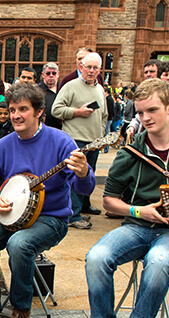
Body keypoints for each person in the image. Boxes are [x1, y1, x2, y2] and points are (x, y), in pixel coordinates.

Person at [0, 82, 95, 318]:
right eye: (12, 110)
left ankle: (21, 309)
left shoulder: (61, 141)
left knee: (19, 244)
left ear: (39, 112)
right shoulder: (3, 145)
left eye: (23, 109)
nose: (16, 115)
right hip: (12, 213)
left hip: (51, 218)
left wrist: (84, 171)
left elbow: (86, 189)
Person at [75, 78, 169, 318]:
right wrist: (139, 211)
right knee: (97, 256)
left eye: (152, 110)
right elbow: (108, 201)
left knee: (158, 264)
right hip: (138, 226)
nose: (145, 118)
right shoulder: (131, 152)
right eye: (140, 112)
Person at [52, 52, 108, 229]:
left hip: (94, 142)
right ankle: (73, 216)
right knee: (74, 177)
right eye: (88, 67)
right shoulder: (70, 86)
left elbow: (104, 115)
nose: (91, 71)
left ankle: (81, 209)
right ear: (81, 67)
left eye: (95, 68)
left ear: (100, 70)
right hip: (76, 140)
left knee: (87, 178)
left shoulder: (100, 89)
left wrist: (101, 137)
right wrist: (77, 112)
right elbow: (56, 110)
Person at [125, 59, 163, 141]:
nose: (148, 74)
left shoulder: (165, 93)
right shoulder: (142, 91)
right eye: (146, 72)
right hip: (142, 139)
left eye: (152, 71)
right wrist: (132, 126)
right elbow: (138, 116)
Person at [38, 62, 62, 129]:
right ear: (43, 74)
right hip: (44, 127)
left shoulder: (63, 88)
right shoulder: (38, 90)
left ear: (58, 74)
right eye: (48, 73)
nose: (51, 76)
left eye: (54, 73)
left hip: (61, 127)